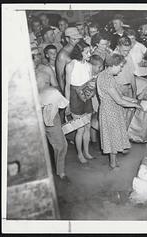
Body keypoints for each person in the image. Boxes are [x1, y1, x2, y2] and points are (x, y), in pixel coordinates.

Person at [97, 54, 142, 169]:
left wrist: (134, 100)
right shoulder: (107, 79)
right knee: (113, 137)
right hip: (110, 111)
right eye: (120, 66)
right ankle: (113, 164)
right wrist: (137, 106)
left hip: (112, 109)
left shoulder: (106, 75)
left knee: (115, 136)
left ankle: (114, 161)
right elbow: (119, 100)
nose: (121, 69)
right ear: (113, 65)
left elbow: (119, 95)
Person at [31, 47, 69, 182]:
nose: (35, 58)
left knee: (60, 144)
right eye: (32, 55)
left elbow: (57, 87)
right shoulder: (20, 74)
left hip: (49, 109)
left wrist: (48, 91)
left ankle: (61, 172)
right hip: (32, 113)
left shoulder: (46, 69)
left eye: (37, 55)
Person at [65, 39, 95, 164]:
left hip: (86, 97)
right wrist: (67, 104)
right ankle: (80, 153)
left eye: (89, 52)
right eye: (86, 52)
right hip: (74, 98)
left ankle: (87, 151)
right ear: (79, 52)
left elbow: (90, 83)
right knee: (80, 129)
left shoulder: (89, 66)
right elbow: (67, 86)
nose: (89, 55)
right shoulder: (70, 65)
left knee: (87, 126)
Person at [113, 36, 137, 127]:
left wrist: (135, 91)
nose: (127, 53)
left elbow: (132, 75)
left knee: (129, 115)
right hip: (118, 90)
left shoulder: (128, 55)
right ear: (118, 47)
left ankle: (125, 136)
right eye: (124, 51)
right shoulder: (112, 58)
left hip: (129, 88)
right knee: (119, 117)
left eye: (128, 50)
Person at [126, 29, 147, 98]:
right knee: (133, 92)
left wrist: (145, 60)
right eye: (129, 38)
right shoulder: (125, 46)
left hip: (142, 73)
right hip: (131, 73)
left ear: (135, 37)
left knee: (145, 91)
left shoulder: (140, 46)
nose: (131, 40)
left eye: (133, 38)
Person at [55, 27, 82, 93]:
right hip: (71, 88)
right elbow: (60, 76)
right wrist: (65, 94)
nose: (77, 41)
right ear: (67, 39)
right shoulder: (62, 55)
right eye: (74, 39)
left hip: (81, 84)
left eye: (78, 39)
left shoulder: (78, 48)